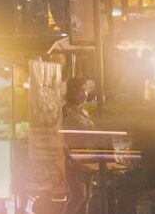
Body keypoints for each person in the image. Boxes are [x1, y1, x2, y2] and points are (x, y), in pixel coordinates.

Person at [62, 77, 95, 214]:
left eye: (86, 90)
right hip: (73, 158)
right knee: (78, 195)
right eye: (81, 90)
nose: (85, 93)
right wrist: (68, 155)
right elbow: (60, 134)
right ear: (73, 92)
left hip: (88, 158)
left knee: (87, 196)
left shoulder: (84, 112)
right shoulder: (65, 111)